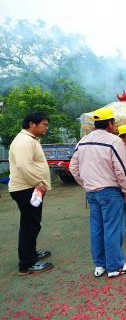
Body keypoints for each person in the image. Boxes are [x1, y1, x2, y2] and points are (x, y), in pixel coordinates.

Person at [69, 108, 126, 278]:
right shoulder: (114, 141)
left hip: (92, 192)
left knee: (97, 228)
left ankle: (99, 265)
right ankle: (115, 266)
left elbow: (73, 168)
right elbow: (121, 169)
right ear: (110, 124)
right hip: (110, 191)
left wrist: (85, 184)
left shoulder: (83, 141)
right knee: (113, 228)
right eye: (114, 123)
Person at [9, 113, 53, 275]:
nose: (46, 128)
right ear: (31, 124)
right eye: (44, 124)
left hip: (30, 188)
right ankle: (27, 264)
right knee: (30, 226)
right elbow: (23, 166)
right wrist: (38, 184)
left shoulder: (30, 139)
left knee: (32, 224)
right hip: (26, 189)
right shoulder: (23, 141)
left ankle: (31, 254)